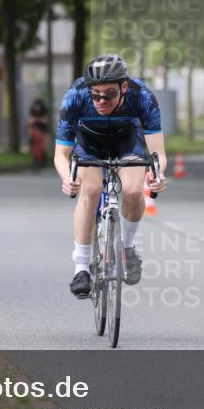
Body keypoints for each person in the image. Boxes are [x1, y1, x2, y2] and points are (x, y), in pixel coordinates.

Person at [54, 54, 168, 299]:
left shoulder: (142, 96)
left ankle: (127, 248)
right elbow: (60, 155)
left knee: (134, 190)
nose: (101, 100)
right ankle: (81, 268)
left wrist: (157, 175)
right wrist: (68, 179)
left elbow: (157, 151)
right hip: (88, 141)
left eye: (108, 94)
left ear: (124, 87)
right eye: (95, 94)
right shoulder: (75, 97)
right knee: (90, 190)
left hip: (126, 139)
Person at [27, 98, 50, 167]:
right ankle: (34, 157)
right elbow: (30, 121)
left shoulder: (44, 110)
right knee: (33, 141)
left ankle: (44, 157)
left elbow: (45, 120)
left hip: (43, 130)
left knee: (44, 144)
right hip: (35, 130)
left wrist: (37, 120)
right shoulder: (32, 111)